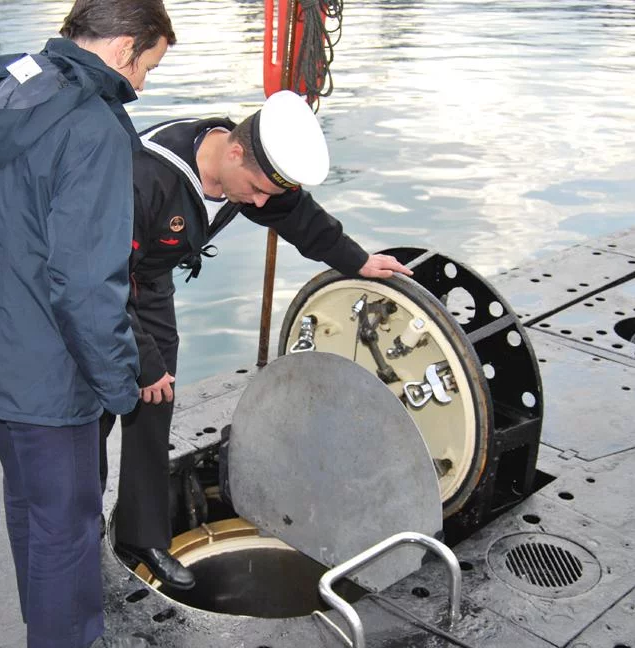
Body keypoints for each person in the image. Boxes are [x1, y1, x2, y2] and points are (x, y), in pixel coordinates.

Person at [0, 0, 175, 648]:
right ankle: (71, 641)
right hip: (42, 361)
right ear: (126, 46)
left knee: (29, 497)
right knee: (66, 507)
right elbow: (86, 281)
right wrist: (119, 383)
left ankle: (49, 614)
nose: (144, 86)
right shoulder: (92, 125)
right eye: (148, 68)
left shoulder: (4, 85)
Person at [101, 90, 412, 590]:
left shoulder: (247, 168)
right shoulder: (144, 175)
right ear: (233, 153)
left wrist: (356, 260)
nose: (261, 202)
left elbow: (296, 214)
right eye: (257, 189)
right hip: (104, 288)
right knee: (97, 408)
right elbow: (98, 282)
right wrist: (142, 359)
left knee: (155, 405)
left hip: (150, 282)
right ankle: (85, 530)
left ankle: (143, 534)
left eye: (269, 193)